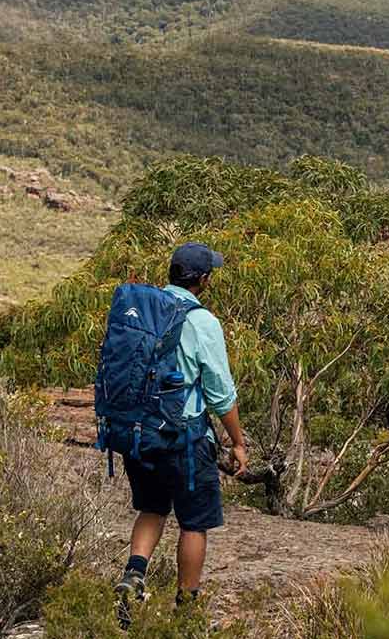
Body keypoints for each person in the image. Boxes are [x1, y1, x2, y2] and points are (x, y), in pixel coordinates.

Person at [114, 242, 250, 627]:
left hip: (140, 432)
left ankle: (133, 575)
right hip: (184, 438)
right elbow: (220, 393)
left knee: (152, 508)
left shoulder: (144, 310)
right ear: (203, 279)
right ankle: (187, 610)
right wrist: (238, 443)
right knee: (194, 523)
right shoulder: (202, 321)